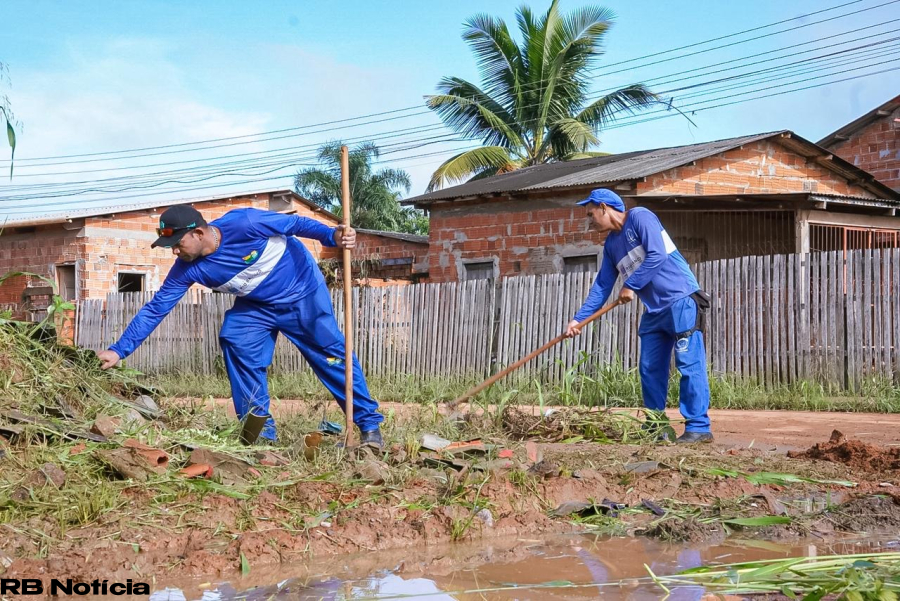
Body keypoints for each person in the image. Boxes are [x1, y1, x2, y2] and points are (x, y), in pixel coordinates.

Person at [97, 204, 384, 447]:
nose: (174, 253)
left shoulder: (245, 223)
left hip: (301, 293)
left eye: (177, 244)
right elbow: (157, 307)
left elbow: (294, 223)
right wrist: (119, 350)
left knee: (331, 355)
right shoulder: (187, 268)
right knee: (236, 338)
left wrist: (332, 236)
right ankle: (260, 434)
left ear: (198, 233)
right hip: (257, 305)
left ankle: (369, 427)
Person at [564, 189, 712, 443]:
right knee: (650, 368)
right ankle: (657, 427)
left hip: (681, 301)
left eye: (590, 214)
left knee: (688, 364)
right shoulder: (611, 245)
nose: (589, 221)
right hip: (654, 311)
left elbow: (657, 254)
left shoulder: (640, 217)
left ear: (603, 207)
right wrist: (578, 319)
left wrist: (630, 285)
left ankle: (698, 428)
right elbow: (602, 286)